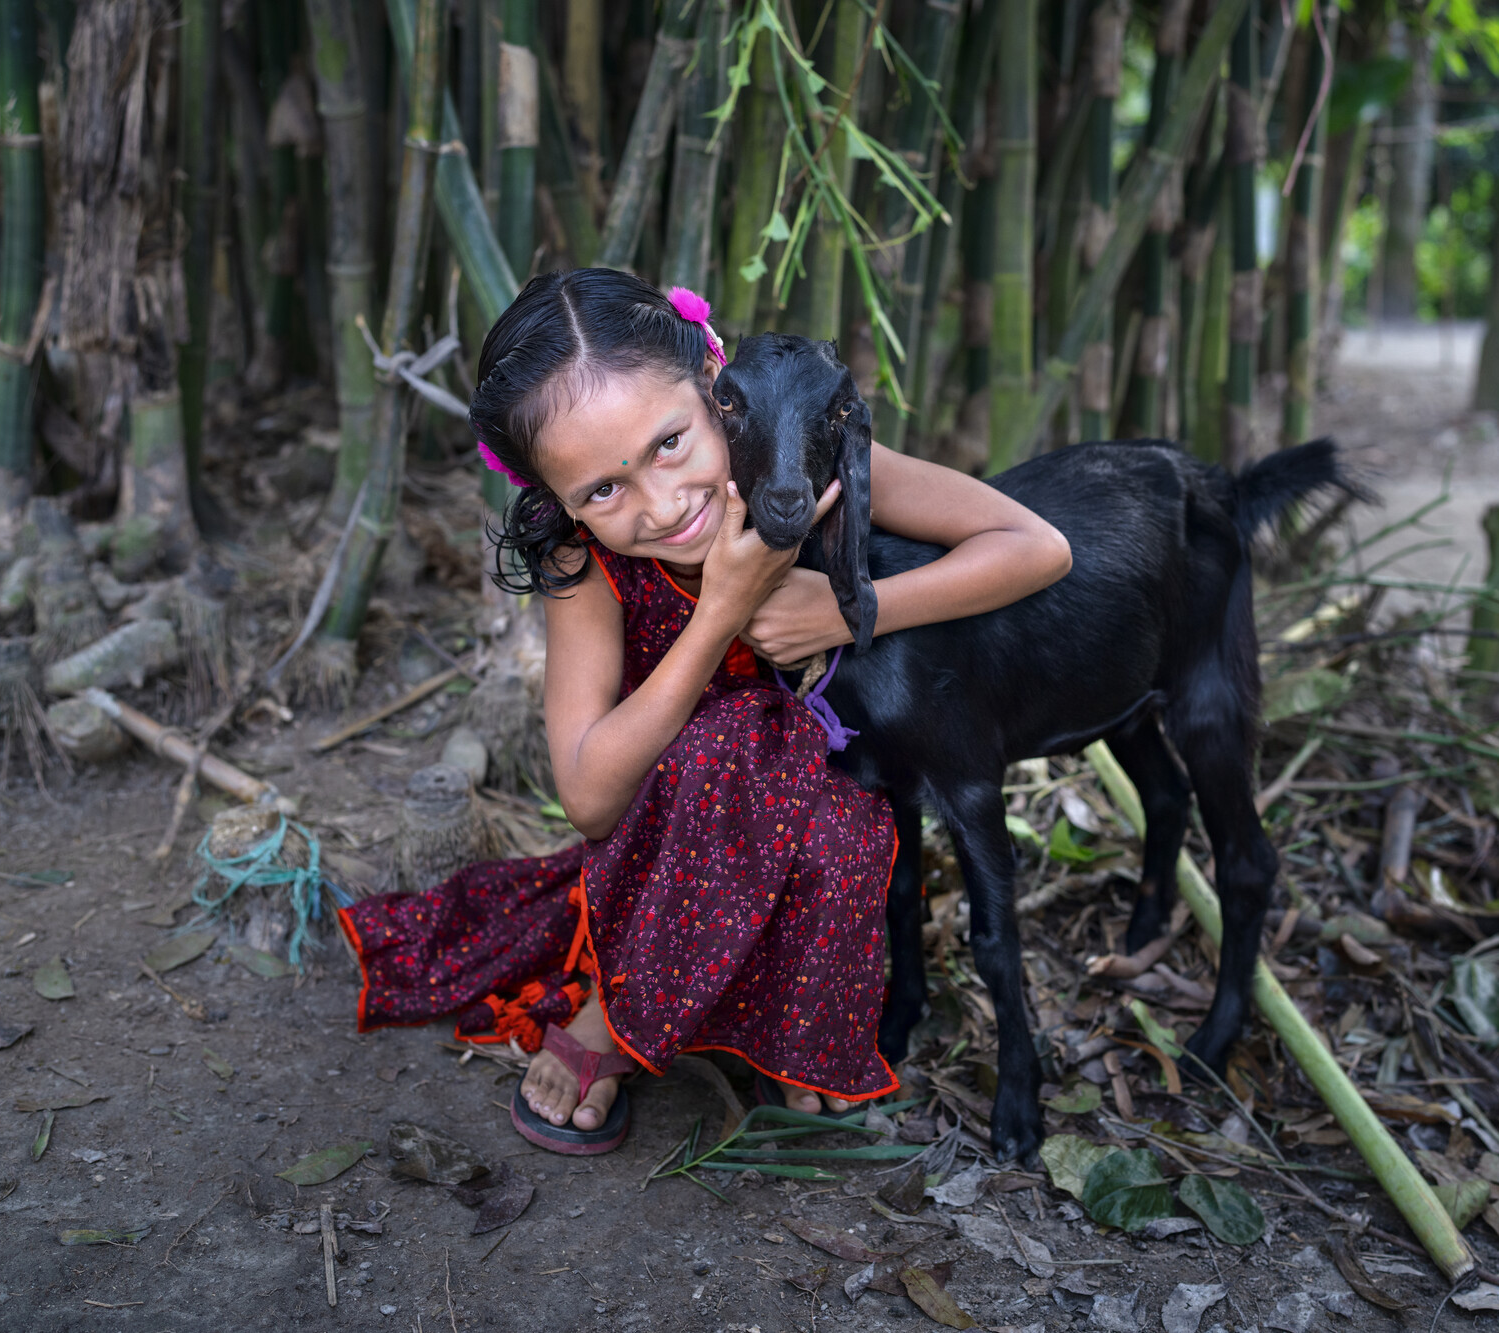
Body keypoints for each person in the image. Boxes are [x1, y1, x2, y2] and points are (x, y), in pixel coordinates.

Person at [339, 268, 1070, 1155]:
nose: (661, 504)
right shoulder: (585, 566)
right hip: (669, 832)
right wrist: (722, 609)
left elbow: (1038, 547)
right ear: (557, 501)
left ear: (720, 390)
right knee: (724, 747)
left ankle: (793, 1024)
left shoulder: (811, 460)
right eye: (601, 491)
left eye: (671, 443)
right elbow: (589, 795)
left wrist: (842, 611)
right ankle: (616, 1010)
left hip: (828, 799)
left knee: (830, 818)